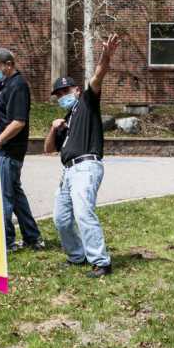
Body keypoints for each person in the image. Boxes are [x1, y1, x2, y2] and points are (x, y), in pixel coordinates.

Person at [44, 34, 121, 278]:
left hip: (86, 166)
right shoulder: (66, 120)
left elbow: (98, 76)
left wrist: (105, 56)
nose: (62, 95)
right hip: (67, 171)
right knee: (61, 218)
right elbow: (48, 150)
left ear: (77, 90)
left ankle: (101, 261)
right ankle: (76, 255)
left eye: (65, 90)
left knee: (83, 212)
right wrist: (53, 128)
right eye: (58, 94)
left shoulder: (86, 103)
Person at [0, 47, 44, 252]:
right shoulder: (4, 85)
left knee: (5, 196)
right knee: (16, 194)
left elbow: (18, 121)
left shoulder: (17, 85)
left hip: (9, 150)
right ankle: (32, 237)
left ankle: (7, 242)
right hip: (5, 149)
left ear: (9, 65)